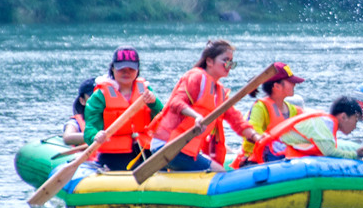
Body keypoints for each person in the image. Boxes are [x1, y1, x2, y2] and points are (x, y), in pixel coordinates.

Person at [148, 39, 263, 172]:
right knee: (219, 172)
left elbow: (236, 120)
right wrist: (197, 116)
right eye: (226, 60)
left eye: (231, 62)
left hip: (187, 151)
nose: (229, 66)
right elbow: (176, 102)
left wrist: (256, 137)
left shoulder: (219, 92)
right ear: (209, 61)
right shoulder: (196, 77)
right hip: (168, 146)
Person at [83, 48, 165, 170]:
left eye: (131, 69)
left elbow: (162, 118)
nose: (126, 72)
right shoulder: (100, 96)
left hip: (144, 149)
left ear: (137, 70)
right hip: (114, 154)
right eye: (121, 68)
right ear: (112, 68)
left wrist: (155, 104)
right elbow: (90, 127)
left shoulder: (146, 90)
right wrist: (95, 136)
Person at [249, 96, 363, 163]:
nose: (356, 126)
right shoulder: (324, 125)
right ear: (343, 117)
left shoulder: (325, 123)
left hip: (275, 150)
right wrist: (355, 155)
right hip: (273, 153)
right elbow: (330, 152)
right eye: (356, 120)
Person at [233, 62, 305, 168]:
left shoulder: (293, 110)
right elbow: (251, 131)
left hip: (282, 159)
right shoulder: (260, 107)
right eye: (290, 82)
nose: (294, 84)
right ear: (277, 86)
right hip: (255, 161)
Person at [62, 78, 97, 145]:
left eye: (101, 96)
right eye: (93, 96)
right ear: (82, 101)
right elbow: (67, 137)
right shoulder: (75, 122)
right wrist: (94, 136)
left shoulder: (116, 118)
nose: (98, 99)